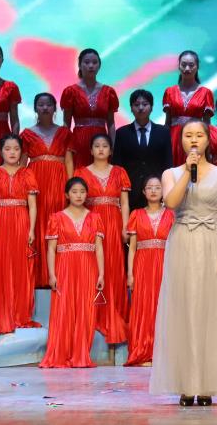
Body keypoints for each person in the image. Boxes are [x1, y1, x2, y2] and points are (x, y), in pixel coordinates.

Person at [150, 119, 217, 406]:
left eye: (199, 135)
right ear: (180, 141)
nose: (193, 140)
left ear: (208, 140)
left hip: (212, 241)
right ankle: (186, 385)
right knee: (185, 311)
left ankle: (207, 385)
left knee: (211, 313)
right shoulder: (170, 173)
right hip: (183, 243)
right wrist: (186, 173)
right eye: (188, 135)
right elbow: (171, 203)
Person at [39, 177, 105, 369]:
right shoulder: (56, 218)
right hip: (65, 268)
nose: (79, 195)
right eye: (74, 192)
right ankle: (61, 353)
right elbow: (51, 249)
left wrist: (101, 273)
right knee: (63, 309)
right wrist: (52, 274)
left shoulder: (95, 218)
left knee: (86, 310)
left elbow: (99, 248)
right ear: (67, 195)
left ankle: (81, 355)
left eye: (82, 192)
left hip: (88, 267)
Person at [74, 134, 130, 345]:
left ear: (110, 150)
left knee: (113, 265)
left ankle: (116, 310)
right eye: (96, 146)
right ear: (90, 150)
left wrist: (126, 226)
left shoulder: (120, 172)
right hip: (92, 223)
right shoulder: (81, 172)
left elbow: (124, 203)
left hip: (114, 224)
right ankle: (95, 312)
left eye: (105, 146)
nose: (100, 149)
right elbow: (78, 203)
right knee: (95, 266)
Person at [0, 135, 40, 335]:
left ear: (21, 152)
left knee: (20, 266)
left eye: (16, 149)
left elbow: (32, 205)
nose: (12, 152)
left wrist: (32, 229)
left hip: (21, 221)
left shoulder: (27, 173)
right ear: (1, 151)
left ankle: (19, 313)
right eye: (8, 148)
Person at [21, 93, 73, 288]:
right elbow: (22, 163)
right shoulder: (26, 134)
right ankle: (38, 276)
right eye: (41, 105)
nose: (45, 108)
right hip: (35, 180)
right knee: (37, 222)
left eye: (48, 105)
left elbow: (69, 161)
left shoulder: (65, 133)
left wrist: (70, 187)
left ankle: (59, 274)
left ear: (55, 108)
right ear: (35, 108)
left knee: (57, 222)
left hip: (59, 181)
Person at [124, 175, 175, 366]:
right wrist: (130, 273)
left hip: (165, 264)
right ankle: (143, 350)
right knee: (143, 306)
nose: (153, 191)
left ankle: (165, 353)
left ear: (163, 192)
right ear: (144, 192)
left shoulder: (172, 215)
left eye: (157, 187)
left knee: (164, 306)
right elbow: (132, 248)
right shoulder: (136, 214)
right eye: (149, 188)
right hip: (142, 265)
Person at [113, 89, 173, 211]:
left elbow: (168, 164)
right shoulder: (122, 133)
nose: (140, 108)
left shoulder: (163, 132)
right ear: (131, 108)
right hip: (130, 191)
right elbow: (117, 165)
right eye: (136, 105)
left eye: (145, 104)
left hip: (156, 190)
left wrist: (166, 189)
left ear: (151, 108)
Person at [61, 48, 119, 167]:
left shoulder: (108, 92)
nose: (91, 66)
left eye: (94, 62)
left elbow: (111, 123)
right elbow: (66, 123)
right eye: (87, 62)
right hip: (78, 142)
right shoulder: (70, 92)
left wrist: (113, 146)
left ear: (99, 66)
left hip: (102, 142)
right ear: (79, 65)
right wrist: (65, 148)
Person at [162, 50, 215, 166]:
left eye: (191, 65)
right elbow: (167, 122)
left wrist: (208, 149)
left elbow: (207, 125)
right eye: (183, 64)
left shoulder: (206, 93)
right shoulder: (169, 91)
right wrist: (163, 144)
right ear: (179, 66)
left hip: (195, 139)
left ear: (197, 67)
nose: (187, 68)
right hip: (174, 139)